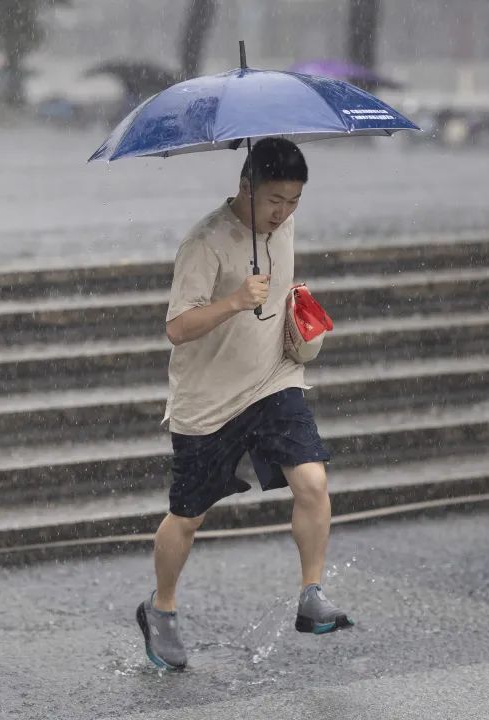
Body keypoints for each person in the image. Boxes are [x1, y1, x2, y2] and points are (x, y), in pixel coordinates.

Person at [135, 137, 354, 671]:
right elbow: (176, 328)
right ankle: (160, 610)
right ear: (244, 188)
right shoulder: (204, 244)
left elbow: (278, 282)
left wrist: (291, 299)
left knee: (313, 481)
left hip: (273, 380)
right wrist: (234, 301)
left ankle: (311, 595)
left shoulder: (284, 226)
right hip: (208, 401)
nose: (283, 214)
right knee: (187, 516)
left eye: (295, 202)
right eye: (275, 201)